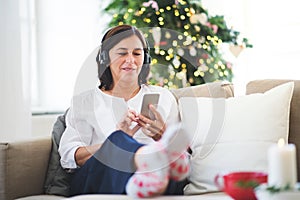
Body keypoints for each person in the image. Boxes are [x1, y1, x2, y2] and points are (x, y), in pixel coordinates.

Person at [58, 24, 190, 198]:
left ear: (146, 59)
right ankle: (148, 159)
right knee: (118, 139)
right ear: (105, 58)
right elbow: (69, 157)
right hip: (97, 179)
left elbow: (181, 155)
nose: (131, 60)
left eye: (137, 53)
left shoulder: (163, 97)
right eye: (122, 53)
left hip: (157, 178)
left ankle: (150, 169)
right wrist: (112, 145)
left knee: (171, 166)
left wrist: (162, 135)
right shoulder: (84, 102)